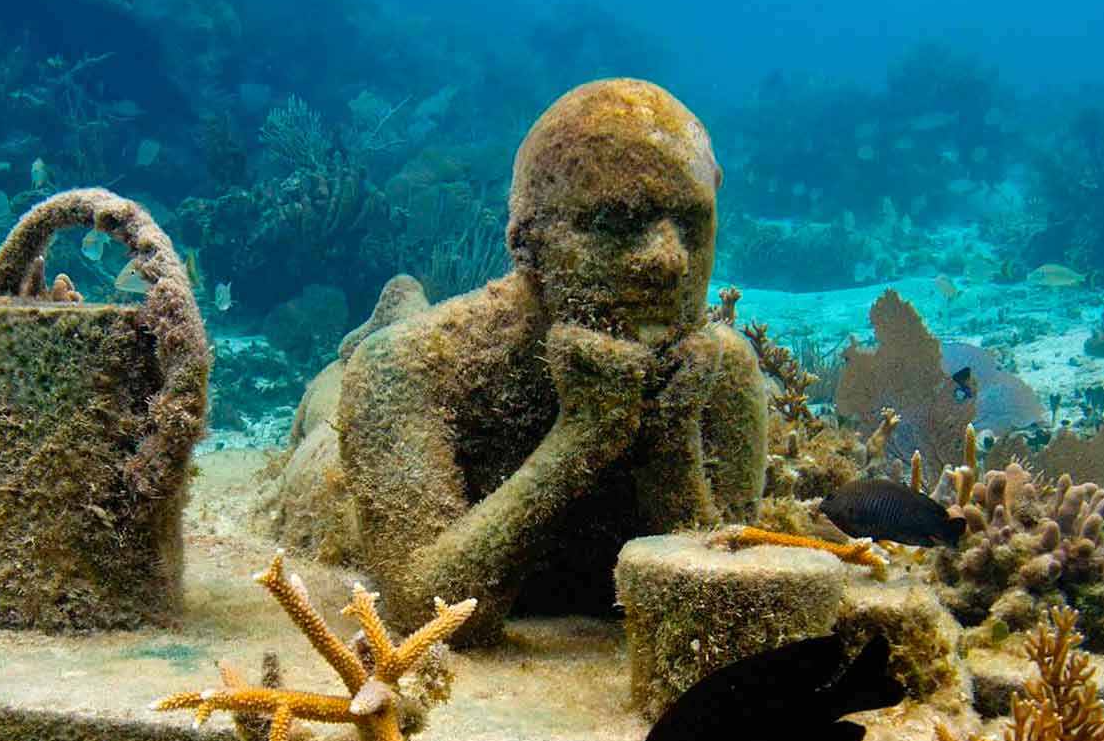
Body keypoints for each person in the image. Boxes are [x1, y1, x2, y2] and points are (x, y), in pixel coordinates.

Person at [288, 78, 766, 646]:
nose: (669, 260)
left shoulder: (722, 373)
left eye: (691, 223)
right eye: (617, 223)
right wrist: (582, 438)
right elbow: (427, 612)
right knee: (329, 410)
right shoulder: (410, 368)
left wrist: (670, 442)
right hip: (337, 463)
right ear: (526, 243)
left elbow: (726, 606)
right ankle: (399, 303)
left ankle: (406, 301)